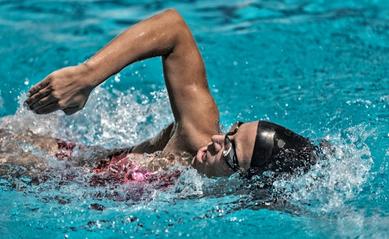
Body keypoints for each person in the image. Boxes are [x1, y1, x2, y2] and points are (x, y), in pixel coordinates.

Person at [20, 9, 317, 181]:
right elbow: (173, 28)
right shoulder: (196, 137)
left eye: (230, 152)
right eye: (232, 131)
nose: (216, 141)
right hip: (42, 163)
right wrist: (86, 76)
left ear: (244, 179)